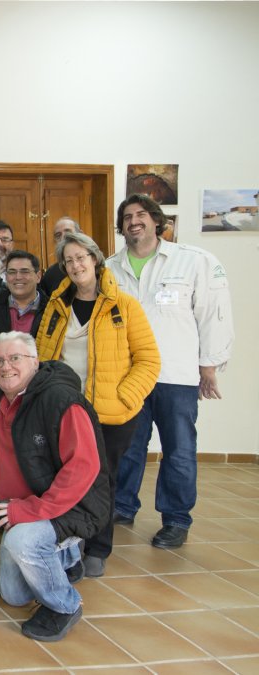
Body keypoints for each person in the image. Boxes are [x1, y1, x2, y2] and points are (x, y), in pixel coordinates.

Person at [107, 194, 233, 549]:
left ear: (156, 221)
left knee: (178, 450)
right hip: (129, 376)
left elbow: (213, 314)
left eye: (141, 215)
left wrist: (209, 365)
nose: (134, 221)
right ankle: (122, 506)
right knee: (129, 448)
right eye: (127, 216)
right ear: (121, 226)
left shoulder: (192, 261)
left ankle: (176, 519)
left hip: (176, 375)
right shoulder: (110, 267)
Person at [35, 231, 160, 576]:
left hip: (111, 413)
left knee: (101, 480)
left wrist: (126, 396)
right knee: (62, 477)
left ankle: (98, 548)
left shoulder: (125, 305)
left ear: (95, 259)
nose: (76, 265)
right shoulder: (57, 306)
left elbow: (148, 360)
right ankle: (69, 544)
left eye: (81, 257)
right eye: (69, 260)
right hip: (63, 408)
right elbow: (43, 357)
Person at [0, 332, 110, 642]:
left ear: (35, 362)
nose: (5, 367)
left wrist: (28, 511)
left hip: (74, 505)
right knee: (14, 596)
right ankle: (67, 557)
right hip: (24, 505)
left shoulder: (60, 400)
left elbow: (82, 468)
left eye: (15, 359)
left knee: (23, 541)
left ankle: (64, 605)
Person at [0, 250, 48, 337]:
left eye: (24, 271)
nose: (18, 277)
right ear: (6, 277)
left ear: (38, 276)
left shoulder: (53, 310)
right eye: (12, 272)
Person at [40, 217, 80, 295]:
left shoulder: (92, 266)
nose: (63, 238)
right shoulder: (50, 275)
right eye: (58, 236)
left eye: (68, 232)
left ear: (80, 234)